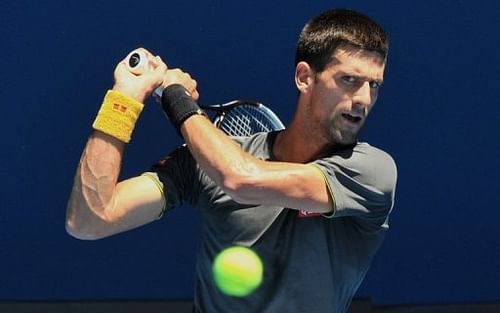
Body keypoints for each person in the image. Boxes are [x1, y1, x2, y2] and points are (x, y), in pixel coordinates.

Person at [66, 8, 397, 313]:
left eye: (374, 85)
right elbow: (89, 221)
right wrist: (123, 100)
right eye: (349, 80)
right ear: (304, 77)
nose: (364, 99)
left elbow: (240, 180)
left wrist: (175, 97)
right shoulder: (205, 164)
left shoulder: (370, 171)